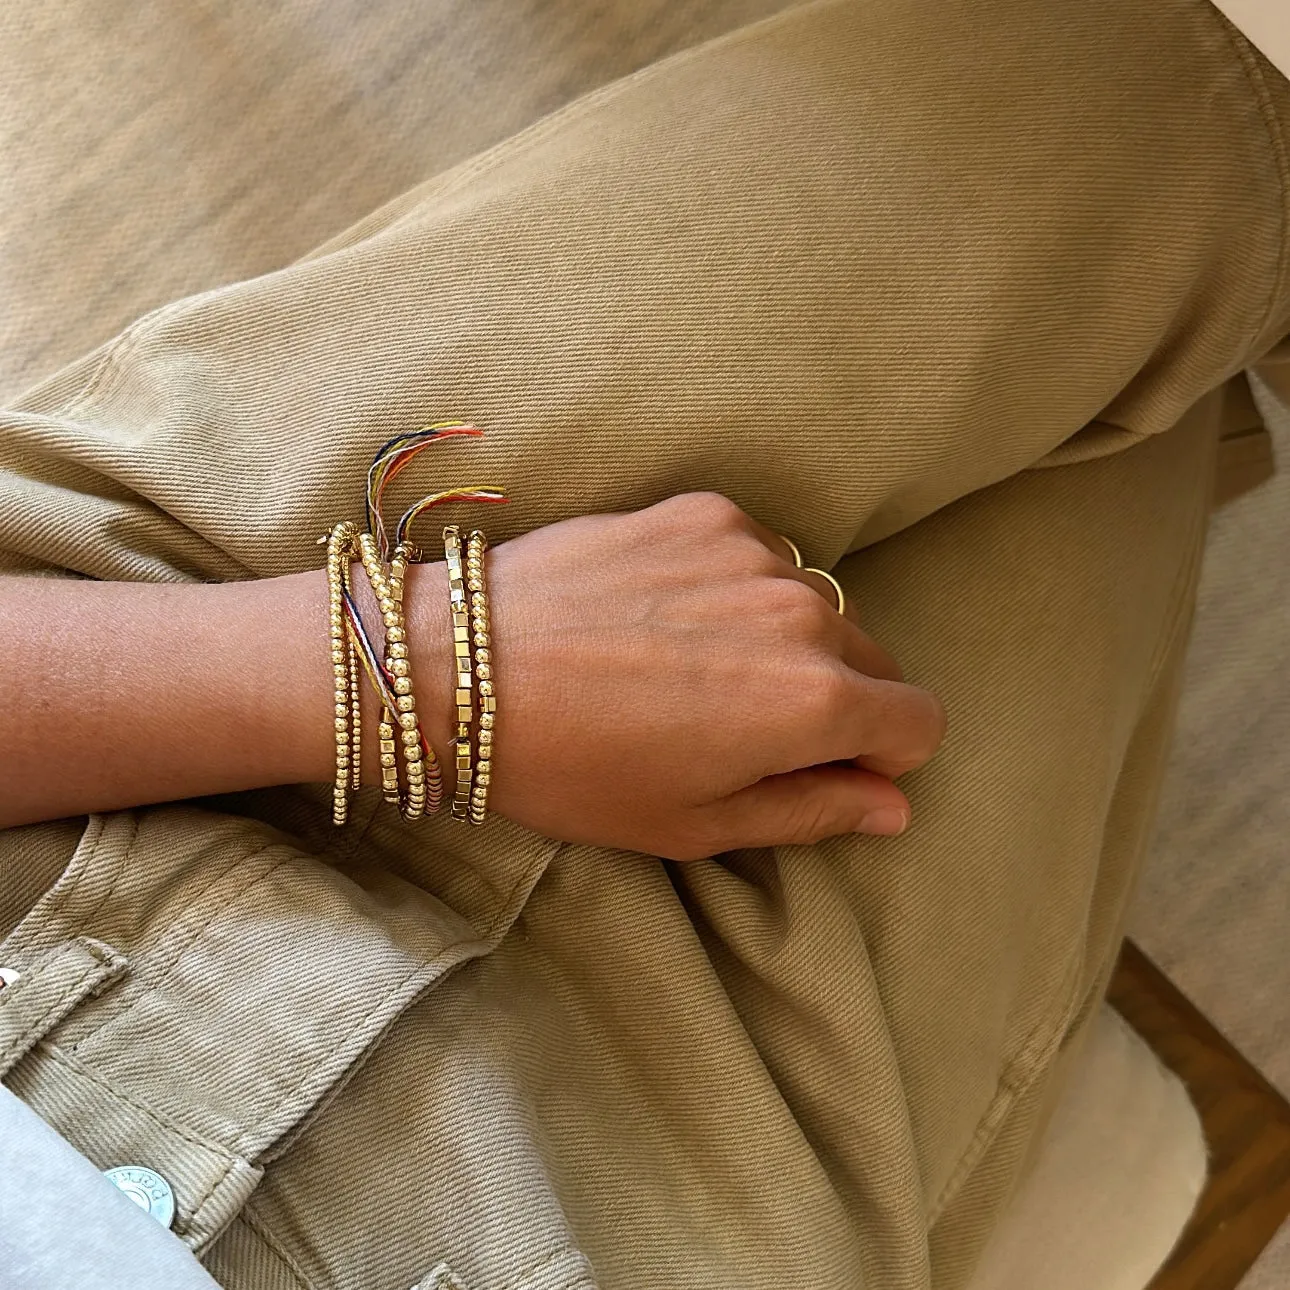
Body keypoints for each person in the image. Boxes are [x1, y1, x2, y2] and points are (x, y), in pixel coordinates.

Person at [1, 0, 1287, 1286]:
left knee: (1166, 96)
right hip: (653, 1204)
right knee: (1183, 265)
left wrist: (412, 666)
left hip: (135, 695)